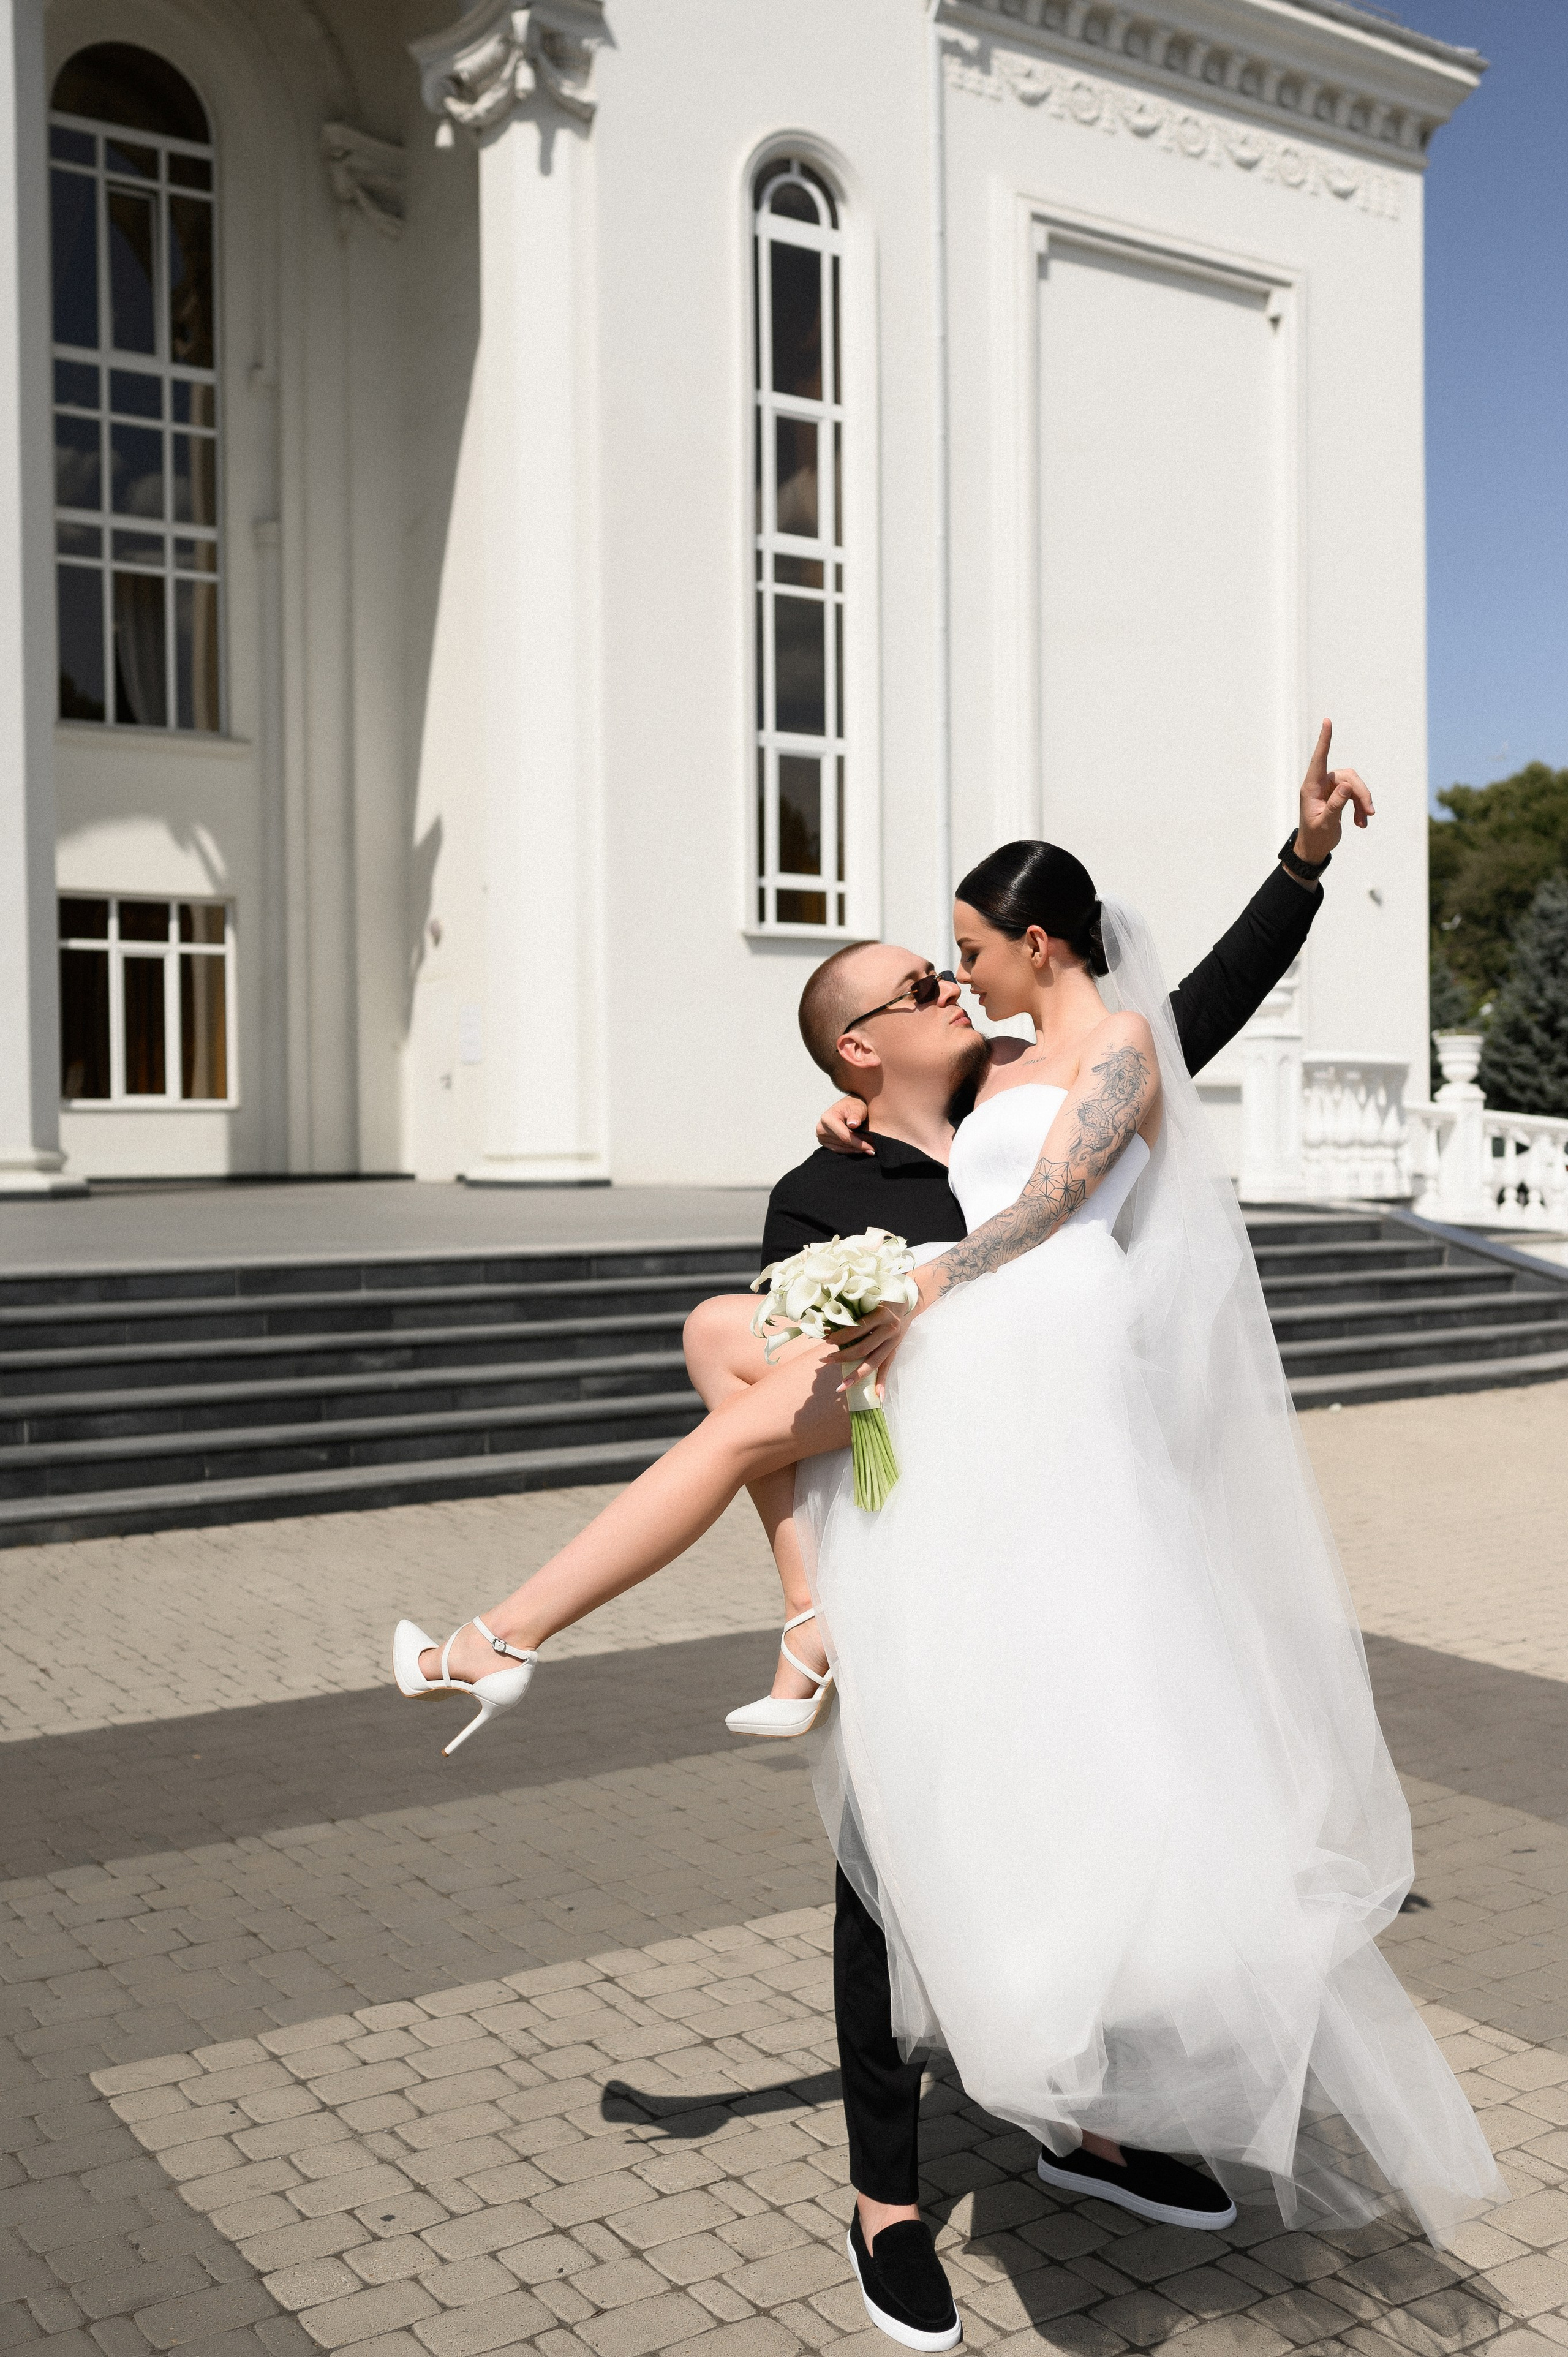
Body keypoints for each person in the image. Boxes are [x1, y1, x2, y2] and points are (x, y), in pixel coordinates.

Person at [392, 724, 1503, 2343]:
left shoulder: (1023, 1079)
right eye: (919, 987)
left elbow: (1170, 1031)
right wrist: (811, 1580)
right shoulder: (814, 1191)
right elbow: (793, 1392)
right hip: (917, 1551)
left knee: (1092, 1821)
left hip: (1069, 1514)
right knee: (884, 1869)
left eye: (954, 967)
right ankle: (887, 2200)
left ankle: (1098, 2122)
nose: (950, 992)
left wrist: (1305, 866)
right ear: (856, 1055)